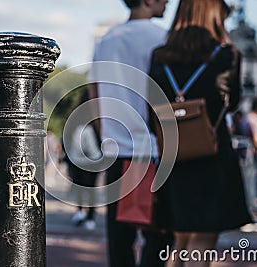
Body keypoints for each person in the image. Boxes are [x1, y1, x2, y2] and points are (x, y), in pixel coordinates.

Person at [148, 0, 252, 265]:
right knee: (202, 241)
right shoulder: (226, 55)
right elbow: (234, 101)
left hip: (174, 156)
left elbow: (151, 108)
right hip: (211, 153)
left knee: (179, 241)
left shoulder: (160, 56)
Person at [87, 0, 172, 266]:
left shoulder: (107, 39)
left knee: (119, 238)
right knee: (159, 236)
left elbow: (94, 90)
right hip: (155, 149)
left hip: (118, 148)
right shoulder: (164, 37)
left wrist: (105, 133)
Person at [66, 90, 102, 230]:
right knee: (91, 189)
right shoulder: (96, 117)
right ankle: (90, 217)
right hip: (93, 160)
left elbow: (67, 138)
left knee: (79, 187)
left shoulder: (74, 117)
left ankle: (80, 211)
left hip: (76, 159)